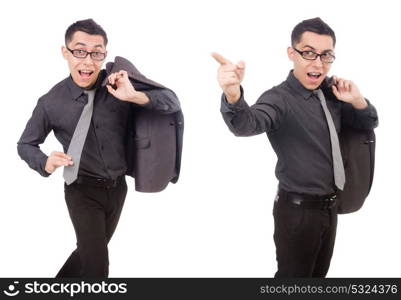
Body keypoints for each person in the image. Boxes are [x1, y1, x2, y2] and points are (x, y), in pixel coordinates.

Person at [212, 17, 378, 277]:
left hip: (331, 207)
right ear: (292, 53)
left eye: (326, 55)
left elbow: (369, 122)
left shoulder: (332, 91)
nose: (318, 63)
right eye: (309, 53)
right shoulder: (278, 99)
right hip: (298, 213)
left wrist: (356, 100)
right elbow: (245, 125)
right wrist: (233, 94)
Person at [17, 19, 181, 277]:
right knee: (97, 267)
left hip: (117, 188)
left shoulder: (119, 84)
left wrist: (134, 96)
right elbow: (25, 144)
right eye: (79, 51)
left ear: (104, 54)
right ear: (65, 53)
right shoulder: (51, 102)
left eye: (97, 53)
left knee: (88, 253)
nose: (88, 60)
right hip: (81, 189)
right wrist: (44, 162)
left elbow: (171, 102)